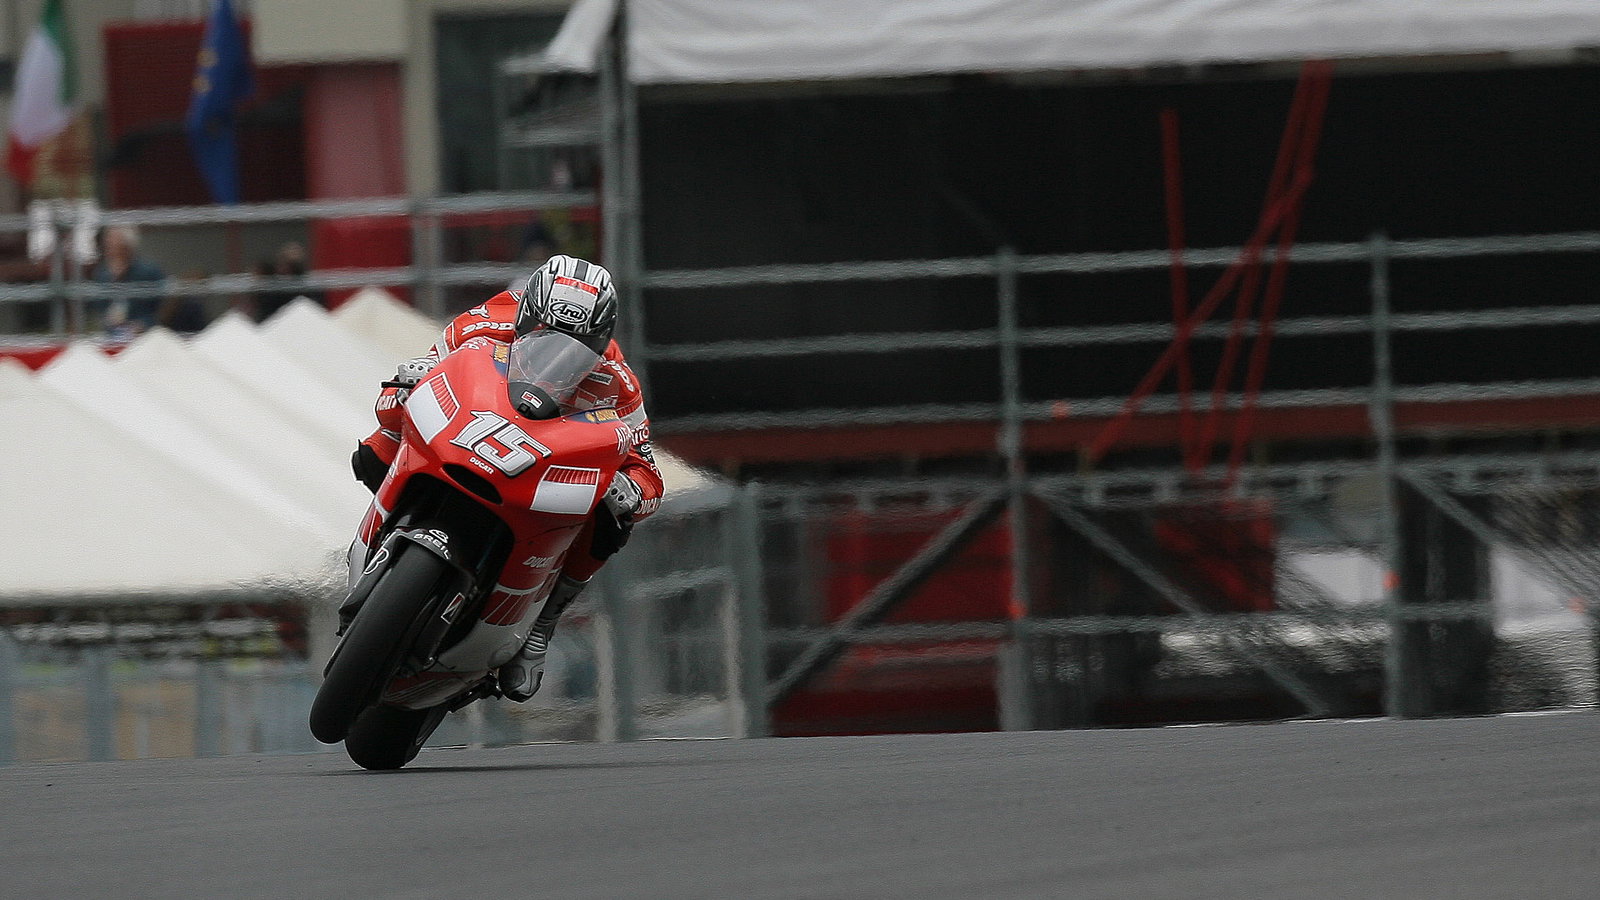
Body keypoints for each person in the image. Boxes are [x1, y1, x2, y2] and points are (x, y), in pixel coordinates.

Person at [351, 255, 664, 701]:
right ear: (528, 314)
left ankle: (540, 627)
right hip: (471, 435)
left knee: (612, 520)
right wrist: (405, 384)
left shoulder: (619, 384)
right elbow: (431, 371)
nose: (560, 352)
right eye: (547, 337)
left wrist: (632, 490)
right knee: (371, 452)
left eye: (579, 343)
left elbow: (645, 467)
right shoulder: (483, 321)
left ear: (601, 336)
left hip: (539, 468)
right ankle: (382, 540)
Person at [90, 225, 166, 337]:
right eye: (109, 240)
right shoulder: (102, 275)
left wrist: (145, 324)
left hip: (145, 337)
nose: (111, 245)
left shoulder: (149, 272)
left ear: (128, 246)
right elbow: (100, 310)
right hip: (112, 338)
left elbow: (164, 308)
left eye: (116, 241)